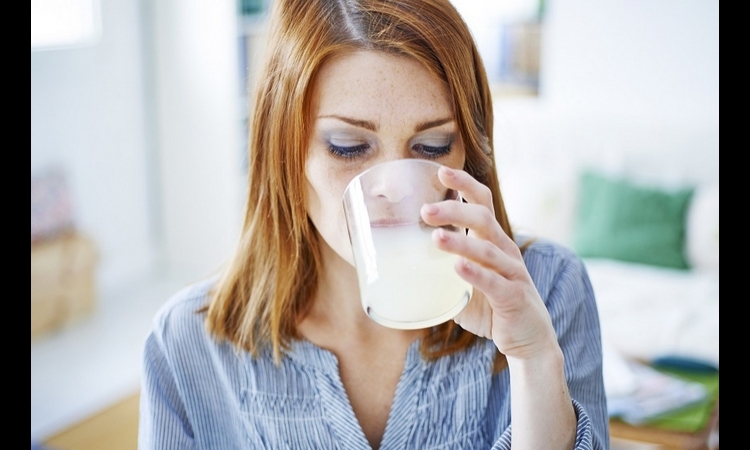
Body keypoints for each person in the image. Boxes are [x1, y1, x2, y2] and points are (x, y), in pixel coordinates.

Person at [138, 0, 609, 448]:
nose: (395, 188)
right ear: (284, 148)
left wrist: (532, 360)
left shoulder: (548, 290)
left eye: (433, 145)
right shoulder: (185, 345)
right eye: (347, 146)